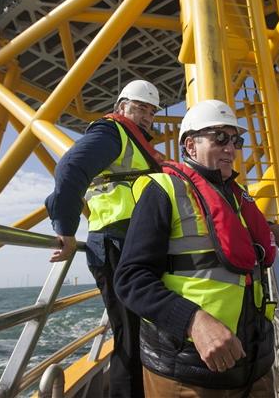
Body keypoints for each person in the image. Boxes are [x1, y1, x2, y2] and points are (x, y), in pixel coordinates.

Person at [114, 99, 279, 397]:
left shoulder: (236, 196)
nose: (230, 147)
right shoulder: (163, 191)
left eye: (235, 140)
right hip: (190, 374)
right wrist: (193, 321)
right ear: (190, 146)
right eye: (219, 137)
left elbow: (222, 232)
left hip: (254, 367)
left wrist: (271, 229)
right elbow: (131, 279)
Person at [45, 80, 164, 398]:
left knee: (143, 334)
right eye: (140, 108)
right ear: (121, 106)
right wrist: (66, 230)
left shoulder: (136, 145)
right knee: (131, 337)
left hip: (135, 245)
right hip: (115, 244)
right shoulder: (112, 133)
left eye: (151, 112)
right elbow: (69, 169)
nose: (146, 117)